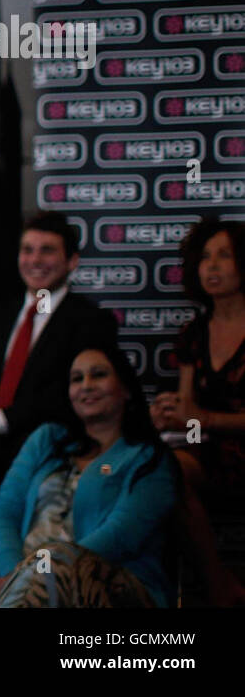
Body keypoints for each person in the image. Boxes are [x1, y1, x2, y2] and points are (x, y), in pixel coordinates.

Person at [0, 343, 176, 607]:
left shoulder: (149, 458)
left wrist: (37, 577)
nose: (86, 385)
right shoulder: (47, 439)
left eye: (98, 375)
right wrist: (19, 576)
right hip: (25, 584)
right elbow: (2, 512)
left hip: (113, 586)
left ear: (126, 388)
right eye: (77, 378)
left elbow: (120, 536)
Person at [0, 211, 118, 507]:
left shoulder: (91, 321)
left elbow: (72, 395)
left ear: (72, 261)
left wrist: (2, 420)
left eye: (47, 250)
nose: (35, 260)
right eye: (27, 250)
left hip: (49, 455)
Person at [150, 218, 245, 605]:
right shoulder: (193, 333)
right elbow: (192, 422)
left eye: (224, 255)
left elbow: (201, 419)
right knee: (162, 468)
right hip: (210, 454)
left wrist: (204, 420)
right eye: (205, 257)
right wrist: (172, 419)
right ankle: (212, 585)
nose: (213, 266)